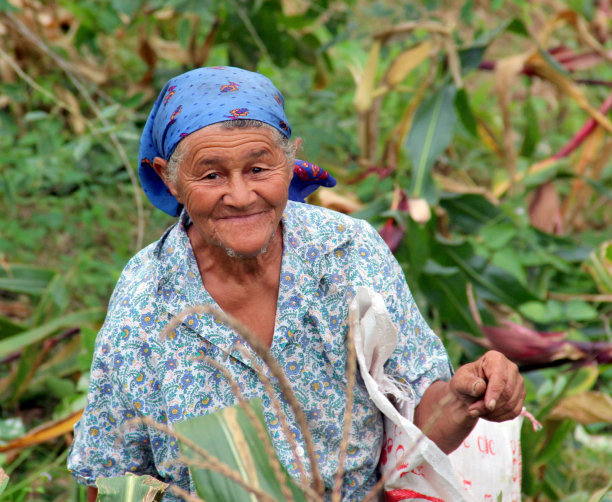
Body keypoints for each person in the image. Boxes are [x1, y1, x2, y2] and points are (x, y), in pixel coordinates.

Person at [68, 66, 525, 501]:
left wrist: (468, 398)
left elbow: (417, 421)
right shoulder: (146, 298)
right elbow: (111, 475)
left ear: (291, 162)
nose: (241, 195)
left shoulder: (347, 253)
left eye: (258, 168)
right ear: (170, 179)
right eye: (211, 175)